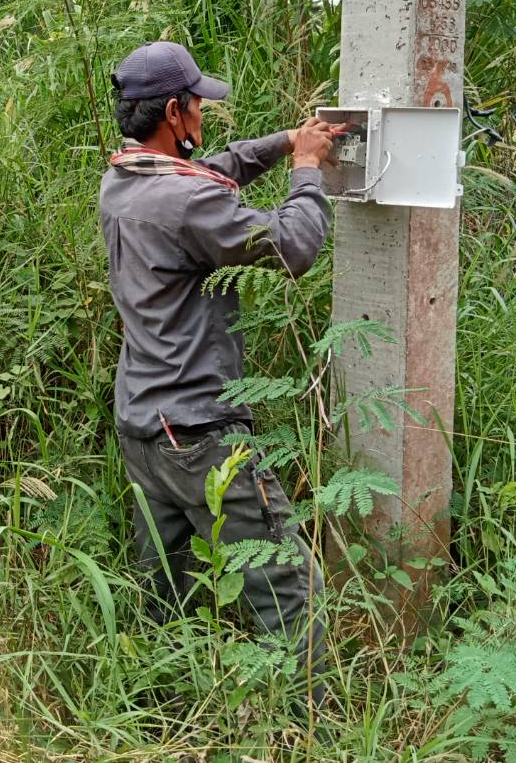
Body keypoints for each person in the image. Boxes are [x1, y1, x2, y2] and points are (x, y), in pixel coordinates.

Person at [97, 40, 348, 711]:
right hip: (201, 434)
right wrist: (305, 170)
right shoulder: (181, 204)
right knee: (284, 585)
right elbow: (292, 248)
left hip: (144, 427)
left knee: (164, 593)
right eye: (199, 106)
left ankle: (157, 719)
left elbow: (212, 172)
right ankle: (312, 731)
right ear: (175, 113)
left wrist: (286, 140)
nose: (205, 116)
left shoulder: (125, 179)